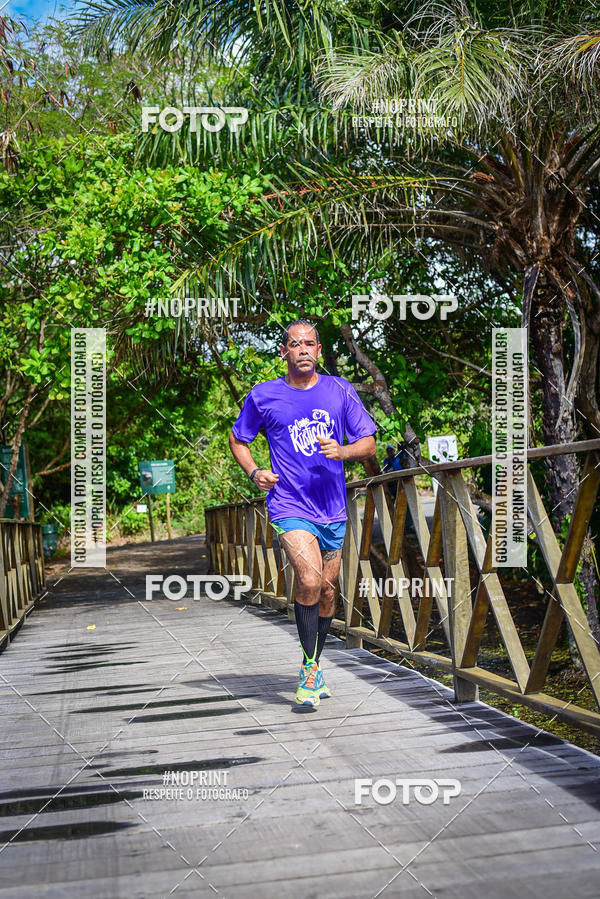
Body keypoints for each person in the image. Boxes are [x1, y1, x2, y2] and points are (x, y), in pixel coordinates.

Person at [228, 320, 377, 709]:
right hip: (289, 505)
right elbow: (238, 437)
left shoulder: (339, 390)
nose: (304, 349)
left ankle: (315, 662)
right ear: (284, 352)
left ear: (319, 350)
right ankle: (310, 669)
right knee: (309, 580)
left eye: (310, 343)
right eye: (295, 344)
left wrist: (343, 452)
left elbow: (368, 442)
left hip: (333, 509)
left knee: (327, 591)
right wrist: (254, 471)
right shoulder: (264, 396)